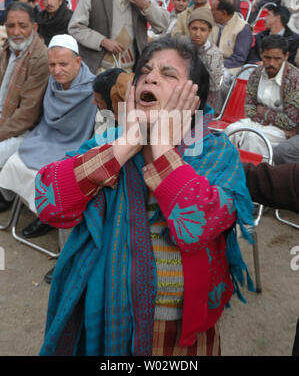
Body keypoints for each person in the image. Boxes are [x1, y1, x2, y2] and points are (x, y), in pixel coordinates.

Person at [36, 35, 254, 356]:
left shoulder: (214, 151)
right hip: (111, 319)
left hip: (180, 333)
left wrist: (162, 146)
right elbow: (50, 203)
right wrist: (128, 142)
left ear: (193, 97)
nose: (151, 77)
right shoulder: (111, 142)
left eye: (168, 74)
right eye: (145, 72)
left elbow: (196, 228)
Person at [0, 33, 97, 238]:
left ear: (78, 62)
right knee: (14, 161)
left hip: (74, 145)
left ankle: (46, 217)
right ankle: (40, 212)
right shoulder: (52, 83)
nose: (56, 70)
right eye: (52, 65)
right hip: (44, 137)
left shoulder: (94, 90)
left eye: (63, 64)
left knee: (49, 176)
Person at [68, 0, 169, 74]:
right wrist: (102, 41)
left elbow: (163, 25)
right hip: (98, 70)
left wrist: (147, 6)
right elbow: (75, 27)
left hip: (131, 71)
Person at [0, 2, 49, 211]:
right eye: (11, 26)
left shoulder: (40, 58)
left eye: (23, 25)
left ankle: (6, 196)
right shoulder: (7, 49)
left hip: (24, 129)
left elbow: (27, 115)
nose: (16, 32)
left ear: (34, 28)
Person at [226, 34, 299, 156]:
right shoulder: (257, 73)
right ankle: (225, 169)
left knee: (252, 139)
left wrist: (262, 111)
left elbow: (289, 121)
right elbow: (249, 108)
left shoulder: (294, 79)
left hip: (282, 131)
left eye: (277, 59)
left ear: (286, 56)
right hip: (256, 122)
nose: (271, 63)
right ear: (261, 54)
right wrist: (265, 116)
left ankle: (253, 173)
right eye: (267, 57)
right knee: (231, 130)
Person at [187, 7, 224, 111]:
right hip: (183, 96)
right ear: (188, 28)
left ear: (209, 31)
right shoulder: (183, 48)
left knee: (197, 126)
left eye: (202, 29)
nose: (198, 34)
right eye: (194, 28)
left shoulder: (214, 54)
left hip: (206, 101)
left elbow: (213, 88)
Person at [210, 0, 252, 80]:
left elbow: (239, 58)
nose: (211, 12)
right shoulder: (212, 22)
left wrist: (216, 64)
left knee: (217, 77)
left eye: (213, 10)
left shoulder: (243, 28)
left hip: (229, 67)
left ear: (224, 13)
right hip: (209, 61)